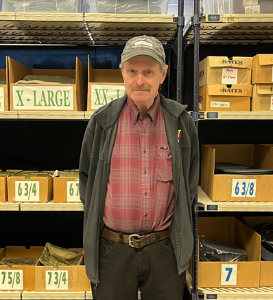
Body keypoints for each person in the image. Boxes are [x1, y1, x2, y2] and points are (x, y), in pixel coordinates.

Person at [79, 35, 199, 300]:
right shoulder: (102, 122)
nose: (140, 80)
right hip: (112, 250)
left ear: (163, 74)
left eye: (148, 71)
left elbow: (189, 178)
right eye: (132, 71)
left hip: (164, 249)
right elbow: (87, 180)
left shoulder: (180, 122)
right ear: (122, 73)